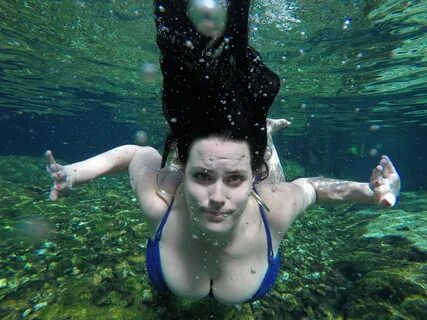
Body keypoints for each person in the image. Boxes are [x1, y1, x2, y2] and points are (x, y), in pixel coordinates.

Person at [45, 0, 401, 305]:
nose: (217, 198)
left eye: (235, 178)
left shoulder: (273, 211)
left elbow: (312, 187)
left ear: (250, 176)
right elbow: (135, 153)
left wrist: (372, 194)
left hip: (259, 177)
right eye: (201, 176)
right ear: (182, 169)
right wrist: (74, 173)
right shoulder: (161, 203)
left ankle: (266, 137)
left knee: (270, 174)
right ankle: (258, 137)